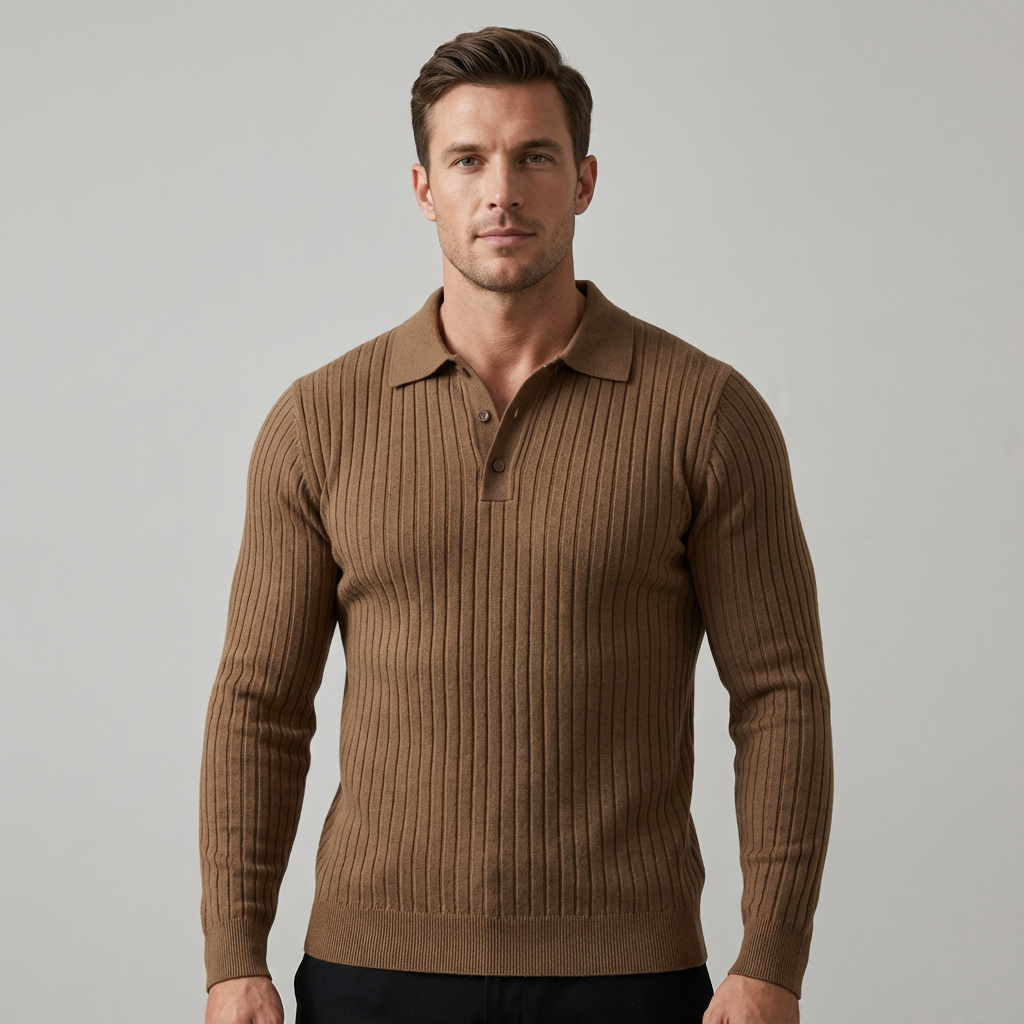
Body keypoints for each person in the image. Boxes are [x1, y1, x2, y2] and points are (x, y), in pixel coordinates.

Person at [200, 27, 833, 1024]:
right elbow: (259, 705)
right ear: (425, 189)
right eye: (468, 160)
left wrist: (773, 961)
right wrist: (233, 954)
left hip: (627, 975)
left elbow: (780, 693)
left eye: (534, 156)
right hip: (372, 973)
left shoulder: (706, 414)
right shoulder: (318, 422)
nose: (502, 191)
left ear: (583, 181)